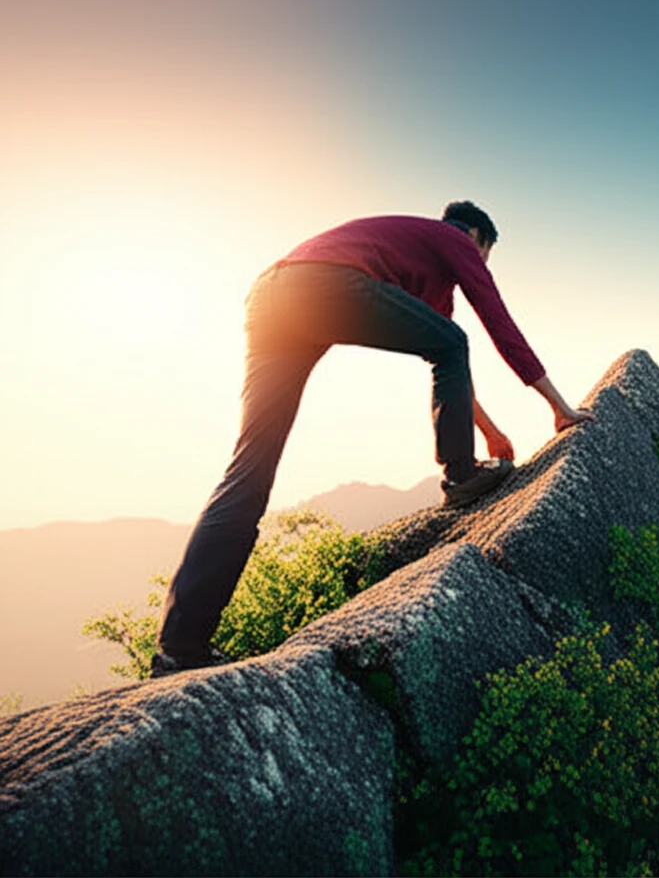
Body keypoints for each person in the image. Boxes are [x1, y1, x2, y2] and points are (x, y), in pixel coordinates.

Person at [151, 201, 594, 676]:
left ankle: (179, 648)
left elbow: (447, 354)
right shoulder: (451, 239)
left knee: (249, 472)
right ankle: (460, 475)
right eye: (482, 259)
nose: (476, 270)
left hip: (270, 295)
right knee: (453, 340)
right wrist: (558, 407)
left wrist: (488, 431)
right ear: (474, 239)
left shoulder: (417, 260)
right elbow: (495, 322)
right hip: (323, 284)